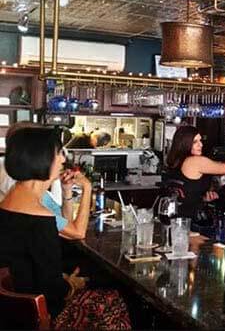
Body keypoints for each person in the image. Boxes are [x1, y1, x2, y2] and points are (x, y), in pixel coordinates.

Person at [0, 128, 130, 328]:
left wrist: (65, 279)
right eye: (59, 153)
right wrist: (71, 284)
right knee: (114, 299)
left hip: (15, 308)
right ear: (41, 159)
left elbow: (29, 264)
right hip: (42, 316)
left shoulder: (11, 200)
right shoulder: (40, 218)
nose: (63, 159)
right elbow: (53, 292)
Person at [0, 122, 92, 240]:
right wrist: (87, 187)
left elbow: (64, 223)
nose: (63, 159)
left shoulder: (22, 191)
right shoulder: (33, 205)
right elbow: (77, 233)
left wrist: (66, 191)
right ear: (38, 155)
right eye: (57, 152)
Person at [165, 126, 225, 219]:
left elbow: (186, 193)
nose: (201, 145)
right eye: (195, 142)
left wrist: (203, 199)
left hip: (172, 218)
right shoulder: (195, 161)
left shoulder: (174, 161)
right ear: (185, 143)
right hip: (187, 221)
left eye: (200, 141)